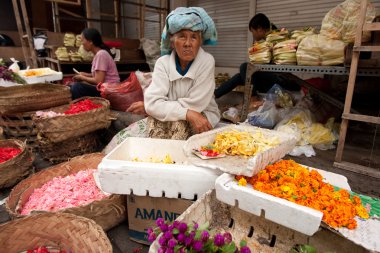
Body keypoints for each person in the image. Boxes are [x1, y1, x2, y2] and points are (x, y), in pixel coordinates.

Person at [107, 6, 220, 147]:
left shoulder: (206, 61)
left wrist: (158, 108)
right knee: (151, 131)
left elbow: (195, 105)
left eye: (194, 37)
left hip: (202, 113)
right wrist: (153, 107)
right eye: (182, 36)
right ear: (173, 42)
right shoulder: (163, 63)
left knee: (178, 131)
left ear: (200, 41)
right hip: (183, 113)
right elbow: (154, 103)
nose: (187, 44)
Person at [214, 13, 299, 99]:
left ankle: (253, 97)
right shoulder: (267, 41)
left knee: (245, 67)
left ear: (259, 29)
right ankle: (214, 95)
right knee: (240, 76)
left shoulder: (276, 39)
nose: (253, 35)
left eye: (252, 32)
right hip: (271, 79)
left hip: (281, 81)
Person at [69, 28, 120, 99]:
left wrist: (82, 77)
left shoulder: (101, 54)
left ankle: (82, 108)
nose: (82, 43)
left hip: (109, 91)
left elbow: (98, 80)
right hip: (105, 88)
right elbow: (100, 75)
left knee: (77, 87)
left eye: (83, 40)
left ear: (90, 41)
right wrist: (86, 74)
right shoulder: (99, 54)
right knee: (72, 86)